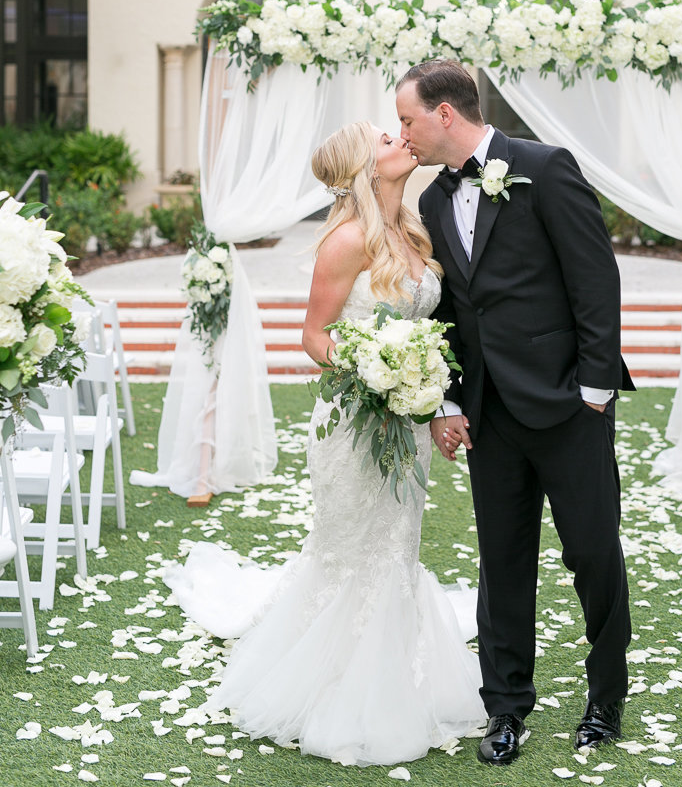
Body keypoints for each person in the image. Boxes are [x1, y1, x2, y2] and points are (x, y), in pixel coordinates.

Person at [163, 120, 484, 767]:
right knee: (352, 552)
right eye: (386, 139)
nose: (402, 139)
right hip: (354, 424)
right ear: (366, 168)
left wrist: (423, 388)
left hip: (408, 423)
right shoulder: (347, 240)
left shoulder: (414, 228)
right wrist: (376, 370)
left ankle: (401, 671)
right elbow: (314, 337)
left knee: (398, 543)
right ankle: (337, 690)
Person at [395, 60, 633, 765]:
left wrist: (594, 390)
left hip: (567, 405)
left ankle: (606, 695)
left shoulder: (545, 166)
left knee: (592, 551)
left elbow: (595, 278)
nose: (402, 134)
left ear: (445, 115)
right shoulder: (434, 202)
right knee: (502, 563)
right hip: (487, 415)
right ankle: (505, 708)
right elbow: (446, 314)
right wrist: (445, 399)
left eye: (408, 119)